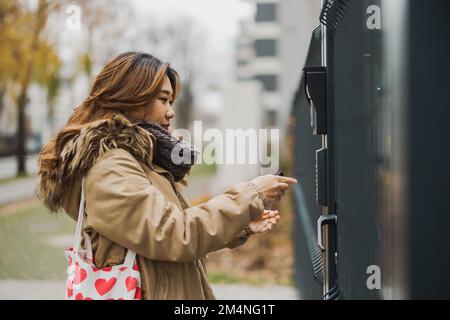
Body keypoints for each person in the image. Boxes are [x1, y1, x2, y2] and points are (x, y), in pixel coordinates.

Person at [37, 52, 297, 300]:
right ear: (130, 98)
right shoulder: (110, 165)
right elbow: (173, 234)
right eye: (163, 100)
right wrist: (251, 193)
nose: (170, 112)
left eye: (171, 101)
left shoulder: (139, 160)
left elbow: (165, 237)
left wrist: (238, 227)